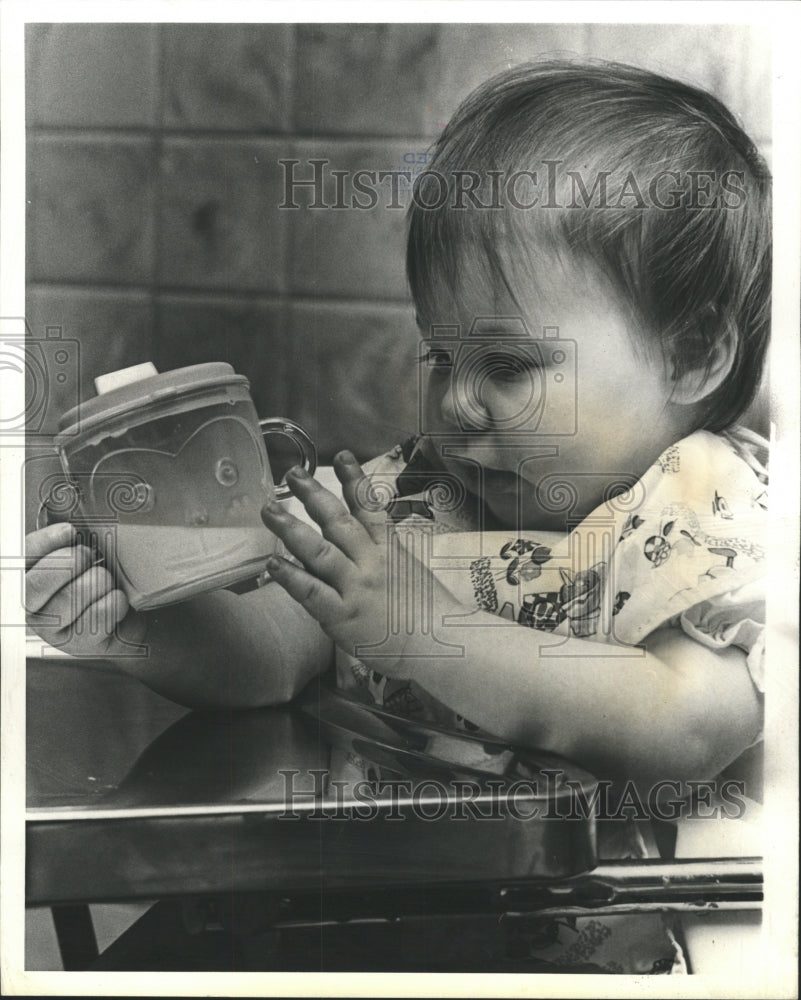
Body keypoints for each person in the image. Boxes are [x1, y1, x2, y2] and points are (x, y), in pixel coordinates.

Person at [25, 60, 770, 972]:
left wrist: (422, 629)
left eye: (505, 366)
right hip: (357, 922)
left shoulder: (705, 504)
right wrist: (142, 627)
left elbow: (683, 725)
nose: (455, 404)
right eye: (439, 357)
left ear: (689, 357)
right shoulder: (418, 493)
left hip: (580, 958)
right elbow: (275, 652)